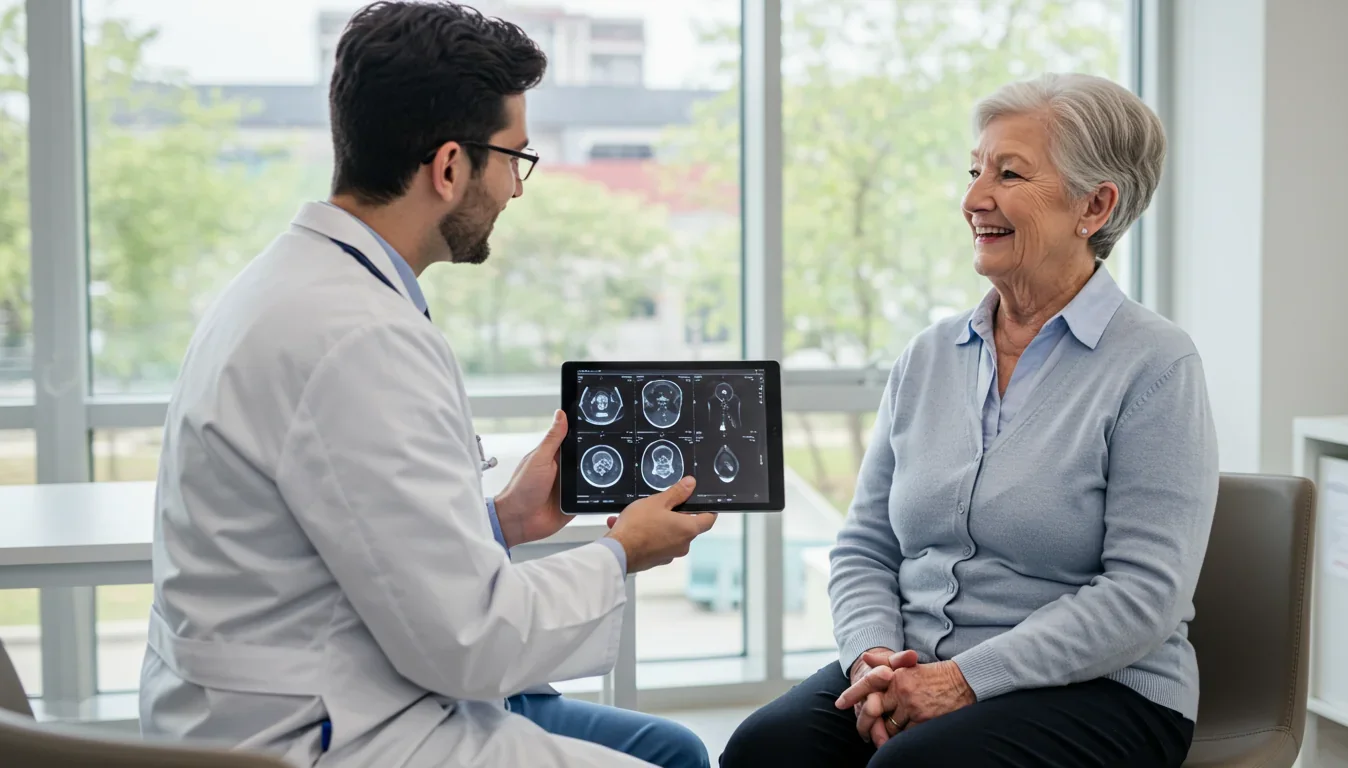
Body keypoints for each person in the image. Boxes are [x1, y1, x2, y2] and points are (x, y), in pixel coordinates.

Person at [139, 4, 716, 768]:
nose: (515, 188)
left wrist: (502, 519)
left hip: (295, 696)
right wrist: (621, 553)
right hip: (323, 734)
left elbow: (360, 543)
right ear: (449, 167)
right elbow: (470, 641)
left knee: (667, 750)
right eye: (516, 158)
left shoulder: (288, 286)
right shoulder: (360, 338)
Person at [722, 73, 1218, 768]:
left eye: (1009, 174)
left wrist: (962, 681)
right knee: (764, 749)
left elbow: (1145, 596)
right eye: (974, 171)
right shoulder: (929, 356)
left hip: (1106, 690)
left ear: (1095, 205)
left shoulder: (1156, 365)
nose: (974, 199)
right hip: (917, 665)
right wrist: (872, 660)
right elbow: (866, 543)